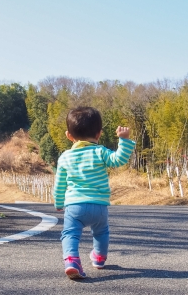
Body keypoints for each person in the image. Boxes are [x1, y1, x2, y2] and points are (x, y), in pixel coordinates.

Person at [53, 106, 136, 279]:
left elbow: (60, 183)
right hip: (99, 207)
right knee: (101, 232)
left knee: (70, 234)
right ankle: (98, 257)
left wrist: (59, 202)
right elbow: (118, 159)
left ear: (69, 136)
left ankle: (72, 260)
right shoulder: (100, 152)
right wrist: (124, 140)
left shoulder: (65, 157)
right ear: (99, 134)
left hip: (75, 207)